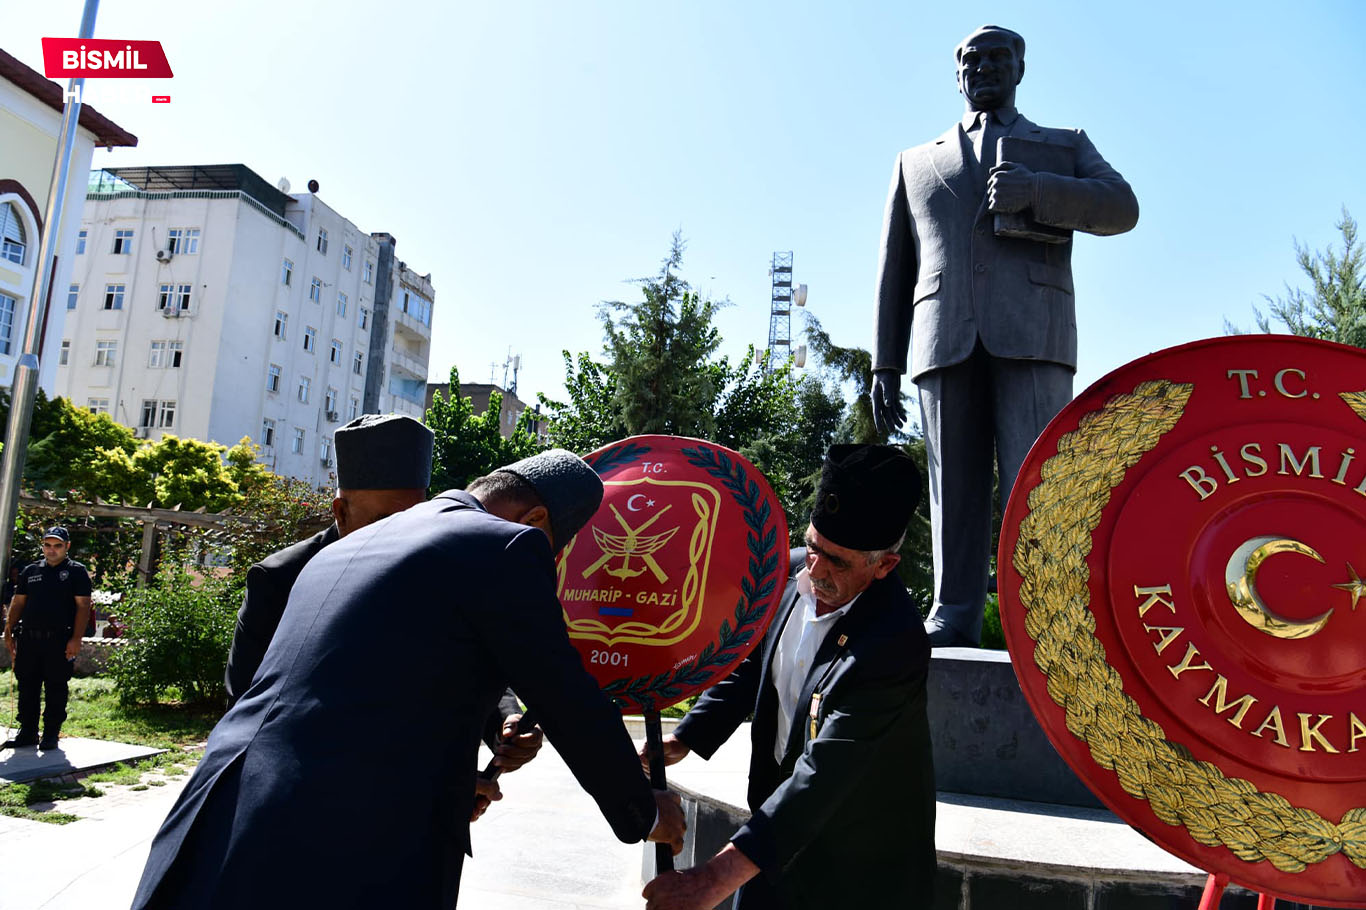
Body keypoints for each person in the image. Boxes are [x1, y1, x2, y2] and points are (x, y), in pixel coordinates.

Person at [132, 449, 686, 909]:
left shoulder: (350, 546)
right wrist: (642, 811)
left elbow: (358, 692)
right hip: (335, 844)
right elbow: (567, 698)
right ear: (537, 520)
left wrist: (443, 779)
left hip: (219, 818)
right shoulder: (507, 545)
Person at [870, 24, 1139, 647]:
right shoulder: (916, 161)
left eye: (998, 57)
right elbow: (895, 270)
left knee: (1038, 480)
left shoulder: (1063, 145)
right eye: (972, 59)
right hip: (943, 340)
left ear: (1020, 68)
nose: (985, 67)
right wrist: (885, 364)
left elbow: (1121, 207)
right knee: (952, 487)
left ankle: (1045, 616)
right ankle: (953, 613)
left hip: (1036, 337)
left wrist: (1037, 191)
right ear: (957, 73)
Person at [642, 444, 935, 910]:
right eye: (814, 546)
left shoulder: (893, 643)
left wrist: (713, 878)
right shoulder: (788, 571)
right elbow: (754, 665)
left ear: (884, 565)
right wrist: (682, 739)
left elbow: (825, 773)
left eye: (837, 561)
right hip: (772, 842)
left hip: (856, 869)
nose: (814, 569)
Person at [224, 412, 543, 770]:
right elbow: (250, 707)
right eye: (383, 522)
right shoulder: (281, 580)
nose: (401, 535)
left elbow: (472, 657)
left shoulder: (438, 566)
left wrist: (504, 722)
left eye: (413, 518)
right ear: (340, 513)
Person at [2, 527, 93, 751]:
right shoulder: (30, 570)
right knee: (27, 686)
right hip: (29, 640)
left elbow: (83, 607)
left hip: (59, 640)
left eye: (57, 545)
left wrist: (76, 639)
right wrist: (9, 629)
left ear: (67, 547)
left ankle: (51, 733)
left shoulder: (76, 572)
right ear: (42, 546)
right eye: (47, 545)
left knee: (56, 686)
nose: (51, 550)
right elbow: (19, 602)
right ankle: (28, 732)